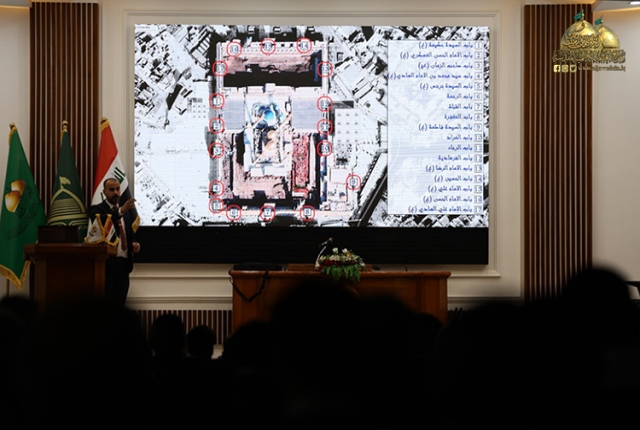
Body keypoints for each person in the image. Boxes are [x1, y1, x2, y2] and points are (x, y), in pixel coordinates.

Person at [88, 177, 140, 307]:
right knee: (106, 306)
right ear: (104, 192)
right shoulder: (97, 210)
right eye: (111, 190)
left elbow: (129, 234)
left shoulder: (126, 213)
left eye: (117, 189)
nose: (116, 193)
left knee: (120, 305)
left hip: (124, 265)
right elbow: (106, 219)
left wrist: (134, 244)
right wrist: (121, 211)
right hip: (107, 266)